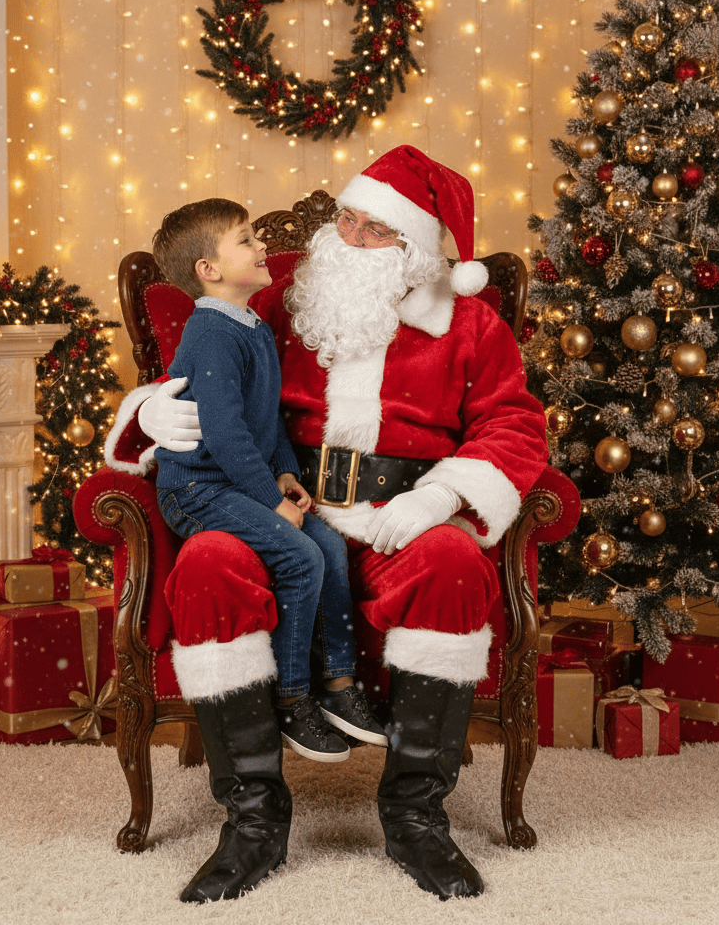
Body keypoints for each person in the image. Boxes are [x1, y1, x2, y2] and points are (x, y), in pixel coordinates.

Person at [105, 146, 550, 903]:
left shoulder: (469, 324)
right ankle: (252, 823)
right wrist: (146, 412)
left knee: (452, 566)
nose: (345, 238)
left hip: (398, 517)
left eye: (372, 229)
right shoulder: (282, 301)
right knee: (209, 564)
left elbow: (514, 427)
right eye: (344, 219)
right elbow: (203, 371)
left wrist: (437, 501)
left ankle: (416, 819)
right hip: (278, 504)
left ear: (411, 246)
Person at [149, 198, 387, 768]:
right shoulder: (211, 332)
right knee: (301, 557)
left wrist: (285, 471)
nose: (262, 249)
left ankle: (338, 684)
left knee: (327, 544)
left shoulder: (250, 323)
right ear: (209, 270)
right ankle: (292, 698)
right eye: (246, 240)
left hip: (239, 481)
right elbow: (227, 434)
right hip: (199, 489)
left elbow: (266, 417)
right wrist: (270, 501)